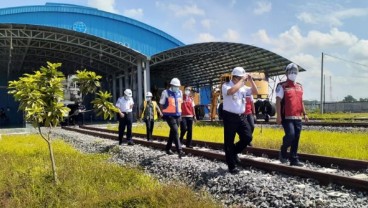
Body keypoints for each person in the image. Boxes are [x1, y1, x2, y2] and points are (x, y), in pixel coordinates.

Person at [222, 67, 258, 174]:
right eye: (242, 78)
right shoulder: (226, 85)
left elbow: (255, 91)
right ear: (236, 77)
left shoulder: (243, 88)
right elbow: (231, 91)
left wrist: (251, 80)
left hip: (241, 116)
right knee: (229, 141)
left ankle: (233, 152)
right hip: (229, 116)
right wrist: (243, 80)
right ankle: (231, 166)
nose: (244, 80)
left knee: (247, 137)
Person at [276, 63, 309, 166]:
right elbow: (277, 101)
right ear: (286, 73)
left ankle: (294, 159)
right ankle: (283, 150)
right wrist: (278, 116)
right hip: (287, 117)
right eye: (291, 72)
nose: (293, 74)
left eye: (295, 72)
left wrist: (305, 113)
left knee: (296, 138)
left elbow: (301, 101)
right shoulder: (282, 86)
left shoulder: (300, 86)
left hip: (298, 116)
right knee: (290, 135)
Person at [159, 77, 185, 158]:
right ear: (171, 85)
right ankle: (179, 151)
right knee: (176, 131)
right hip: (169, 116)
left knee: (173, 132)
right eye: (175, 86)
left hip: (178, 115)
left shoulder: (180, 92)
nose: (176, 88)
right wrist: (162, 113)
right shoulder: (165, 92)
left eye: (178, 86)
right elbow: (161, 103)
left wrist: (181, 114)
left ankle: (167, 148)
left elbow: (180, 104)